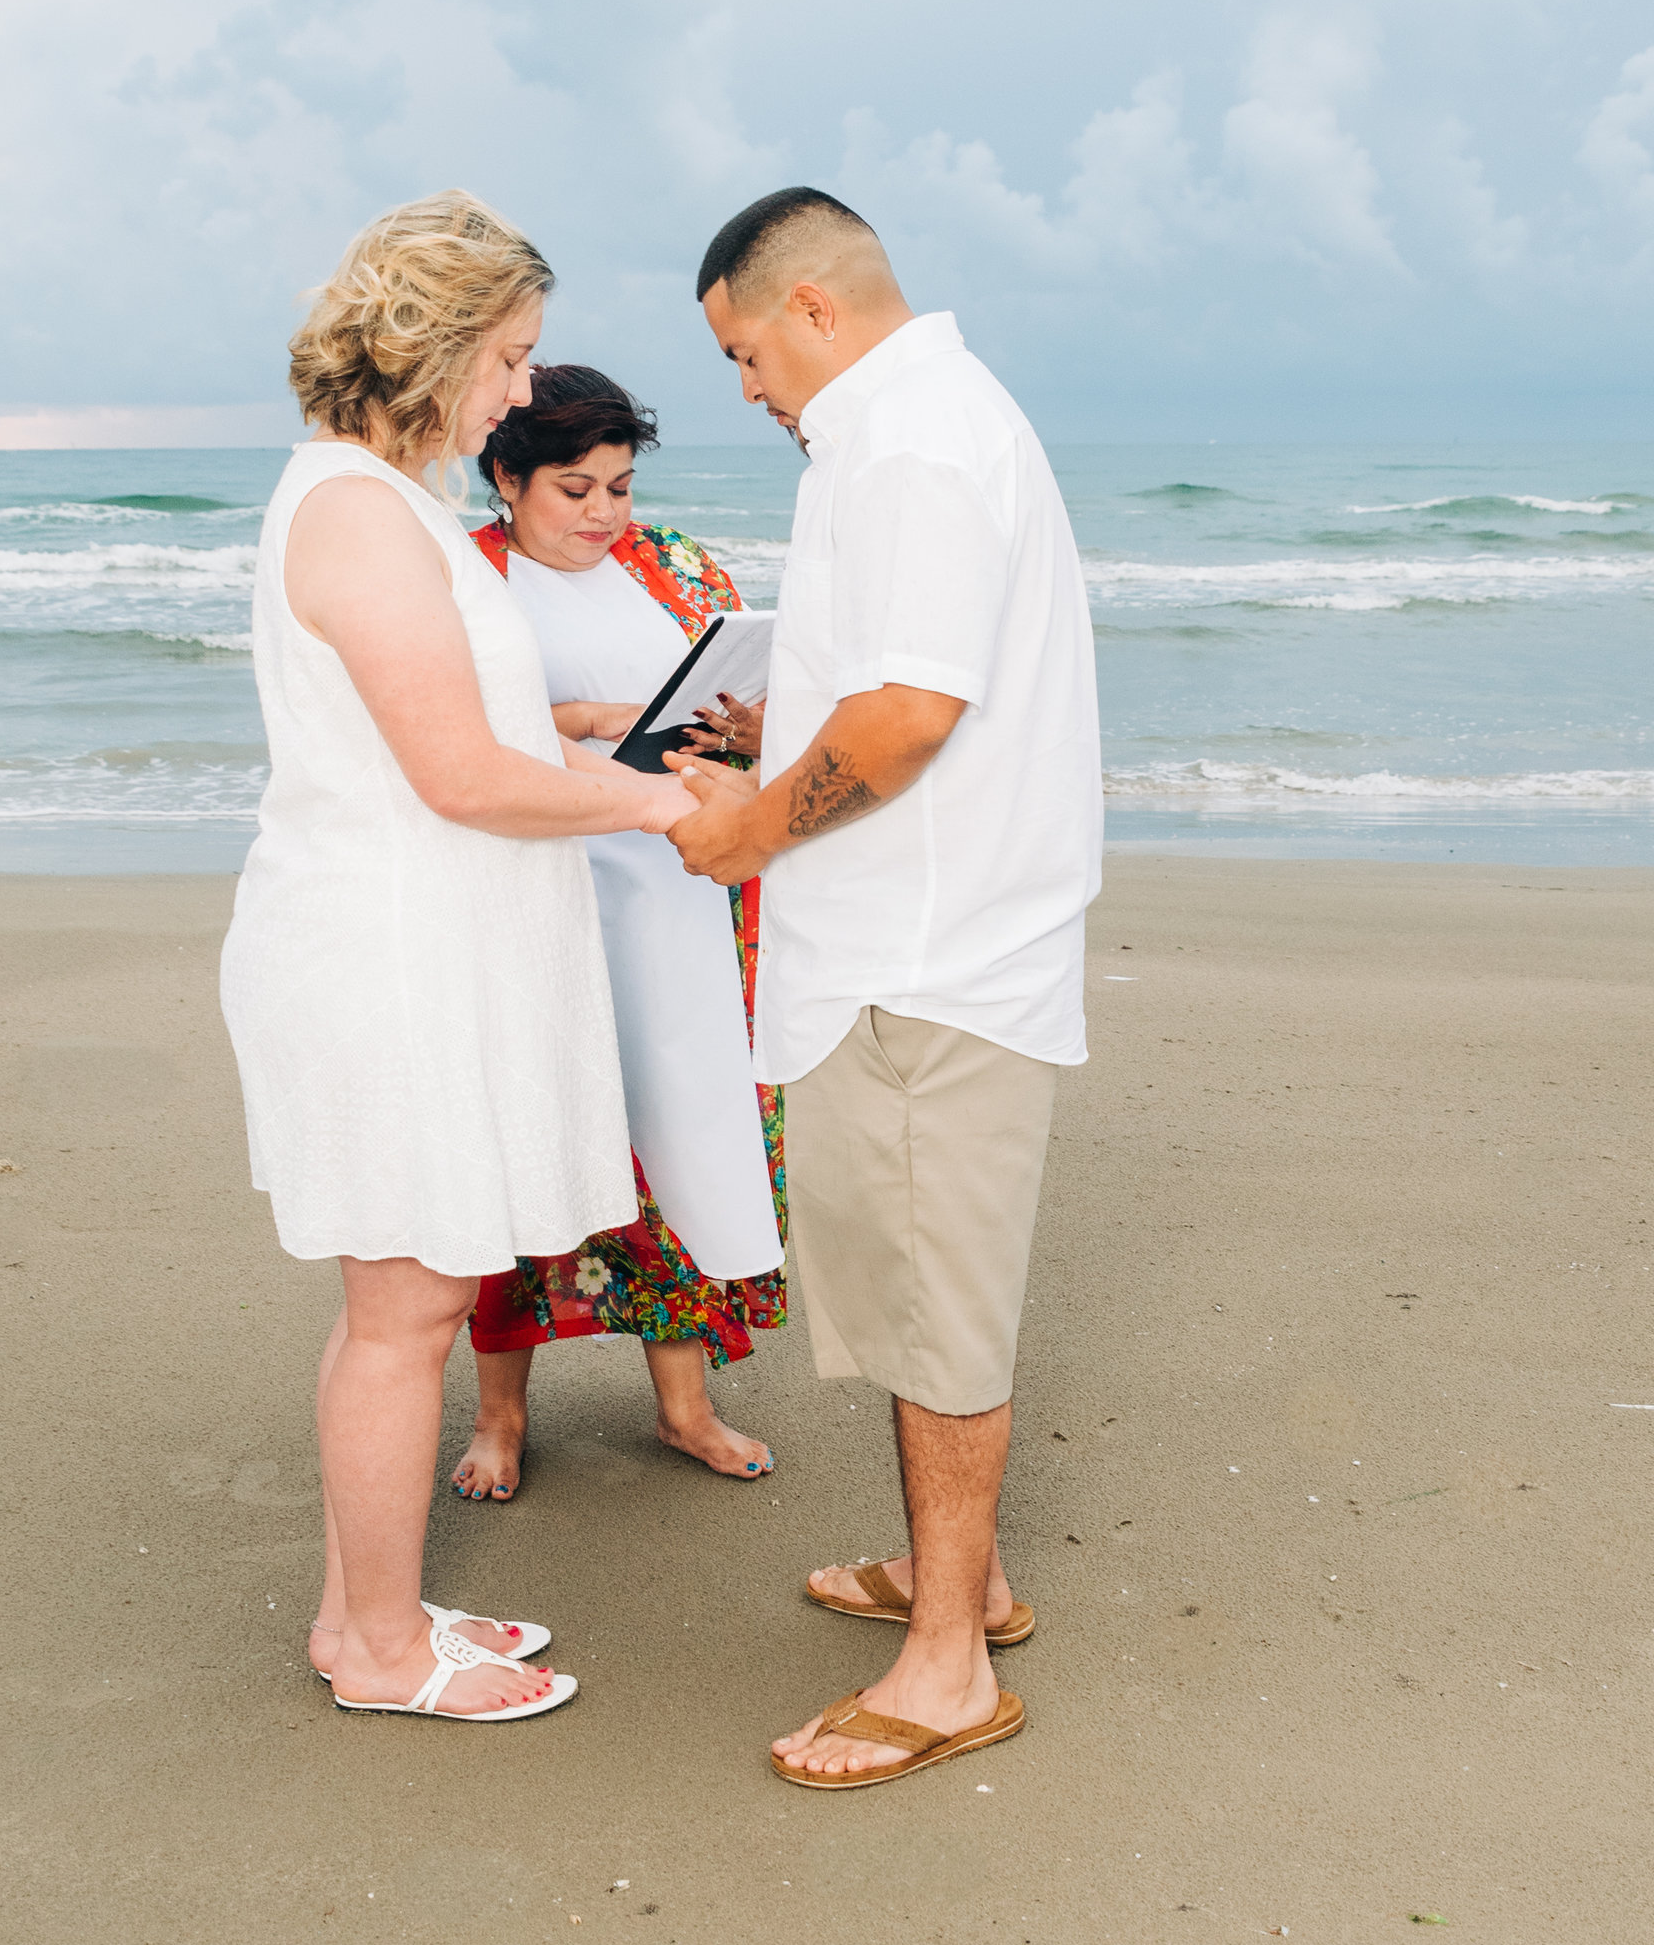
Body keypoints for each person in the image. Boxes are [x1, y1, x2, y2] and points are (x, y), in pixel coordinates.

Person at [219, 191, 693, 1725]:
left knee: (409, 1303)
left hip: (428, 943)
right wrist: (656, 797)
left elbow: (468, 728)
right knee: (402, 1315)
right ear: (432, 349)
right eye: (509, 358)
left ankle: (368, 1608)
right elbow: (455, 776)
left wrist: (595, 740)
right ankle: (377, 1654)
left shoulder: (385, 499)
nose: (519, 391)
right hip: (382, 956)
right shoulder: (354, 511)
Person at [664, 187, 1102, 1787]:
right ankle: (956, 1577)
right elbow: (883, 683)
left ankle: (947, 1672)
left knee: (939, 1299)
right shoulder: (909, 427)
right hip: (914, 943)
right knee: (918, 1279)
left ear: (812, 311)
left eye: (743, 351)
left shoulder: (912, 439)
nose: (745, 387)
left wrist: (746, 832)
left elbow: (911, 714)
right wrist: (771, 738)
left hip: (926, 954)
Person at [451, 363, 787, 1499]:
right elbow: (438, 732)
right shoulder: (465, 581)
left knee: (683, 1139)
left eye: (620, 488)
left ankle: (685, 1407)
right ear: (505, 478)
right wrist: (585, 719)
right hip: (543, 898)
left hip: (690, 895)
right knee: (528, 1146)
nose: (604, 515)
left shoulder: (678, 566)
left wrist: (748, 728)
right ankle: (498, 1418)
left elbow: (748, 706)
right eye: (574, 489)